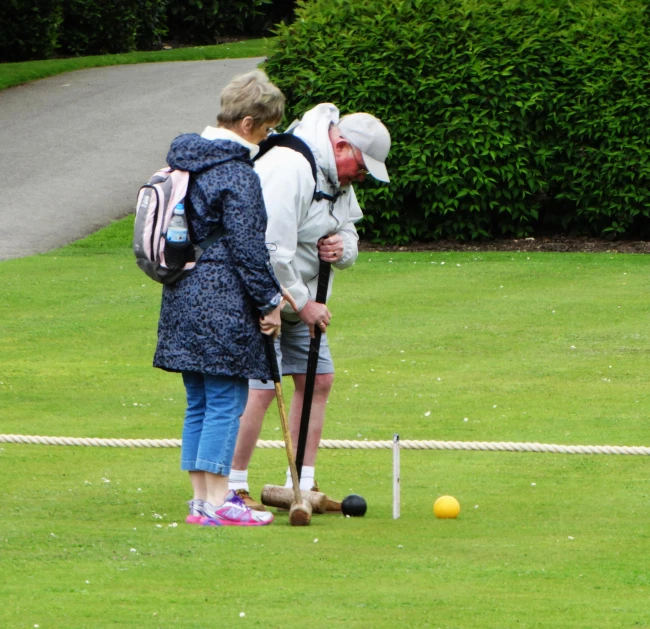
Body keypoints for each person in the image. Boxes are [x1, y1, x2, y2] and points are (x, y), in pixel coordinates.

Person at [228, 103, 391, 508]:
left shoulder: (337, 178)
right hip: (263, 295)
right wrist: (302, 304)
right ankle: (233, 486)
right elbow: (271, 249)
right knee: (262, 388)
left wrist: (344, 248)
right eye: (362, 165)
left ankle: (301, 482)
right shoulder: (291, 166)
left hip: (302, 300)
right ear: (341, 144)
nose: (363, 176)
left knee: (318, 379)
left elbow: (348, 229)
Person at [153, 70, 289, 526]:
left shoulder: (183, 159)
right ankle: (218, 502)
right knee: (227, 399)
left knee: (199, 400)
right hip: (222, 296)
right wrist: (270, 301)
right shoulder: (235, 172)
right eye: (268, 128)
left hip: (180, 290)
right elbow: (248, 248)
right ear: (248, 123)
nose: (267, 137)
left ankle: (201, 501)